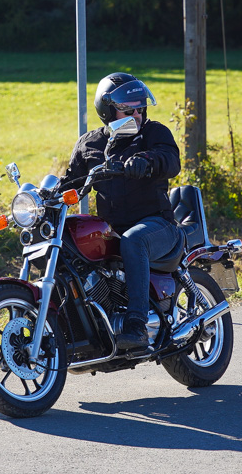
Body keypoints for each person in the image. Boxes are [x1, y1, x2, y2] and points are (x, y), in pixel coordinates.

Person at [60, 73, 181, 349]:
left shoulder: (154, 133)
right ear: (107, 110)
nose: (136, 113)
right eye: (128, 108)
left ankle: (136, 325)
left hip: (157, 225)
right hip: (113, 229)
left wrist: (146, 160)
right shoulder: (89, 144)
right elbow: (71, 184)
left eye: (140, 107)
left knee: (134, 239)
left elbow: (170, 160)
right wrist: (46, 196)